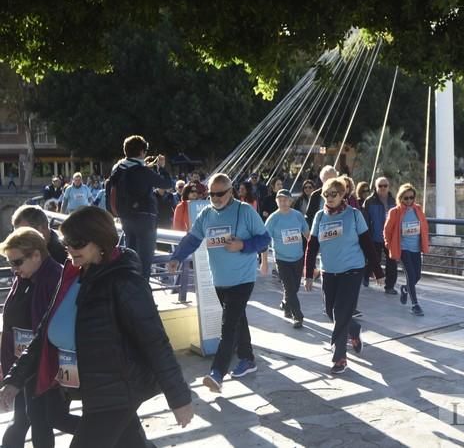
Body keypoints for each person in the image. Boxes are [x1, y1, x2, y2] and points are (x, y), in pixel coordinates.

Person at [0, 207, 193, 448]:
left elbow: (155, 341)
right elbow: (43, 334)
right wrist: (15, 379)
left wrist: (179, 398)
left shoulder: (125, 281)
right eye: (66, 241)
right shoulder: (73, 276)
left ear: (99, 240)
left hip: (118, 391)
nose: (69, 248)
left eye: (77, 243)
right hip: (94, 388)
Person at [168, 173, 271, 391]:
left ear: (231, 191)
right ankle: (248, 359)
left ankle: (217, 373)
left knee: (229, 325)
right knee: (238, 318)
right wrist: (177, 257)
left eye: (219, 194)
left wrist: (242, 245)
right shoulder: (206, 214)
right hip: (220, 279)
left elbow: (265, 239)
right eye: (211, 194)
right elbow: (192, 239)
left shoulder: (245, 211)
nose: (214, 198)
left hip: (243, 279)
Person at [0, 228, 79, 448]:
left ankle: (124, 435)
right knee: (37, 419)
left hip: (44, 366)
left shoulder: (53, 279)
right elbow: (12, 325)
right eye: (10, 263)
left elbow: (50, 331)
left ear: (36, 255)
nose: (14, 269)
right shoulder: (27, 277)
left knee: (49, 419)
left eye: (16, 262)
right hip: (29, 366)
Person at [304, 177, 384, 374]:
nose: (329, 198)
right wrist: (308, 274)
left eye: (334, 194)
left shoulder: (354, 215)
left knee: (340, 311)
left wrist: (378, 271)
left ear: (342, 195)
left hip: (352, 270)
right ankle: (353, 329)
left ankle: (340, 357)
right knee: (330, 310)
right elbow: (312, 247)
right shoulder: (320, 217)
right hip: (328, 270)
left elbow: (367, 244)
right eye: (326, 195)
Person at [107, 135, 173, 279]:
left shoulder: (118, 168)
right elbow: (167, 184)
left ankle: (130, 295)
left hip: (125, 217)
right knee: (144, 263)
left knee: (131, 259)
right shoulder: (142, 171)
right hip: (145, 220)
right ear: (142, 151)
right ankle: (142, 297)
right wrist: (161, 168)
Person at [265, 189, 309, 328]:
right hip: (282, 259)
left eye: (286, 200)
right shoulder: (273, 219)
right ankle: (298, 316)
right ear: (276, 201)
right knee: (289, 288)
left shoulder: (297, 216)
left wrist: (313, 253)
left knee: (294, 288)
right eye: (280, 200)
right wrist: (264, 261)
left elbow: (307, 234)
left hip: (298, 257)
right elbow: (264, 241)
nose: (283, 202)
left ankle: (285, 303)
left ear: (291, 201)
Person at [383, 183, 430, 316]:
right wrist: (389, 245)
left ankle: (405, 289)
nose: (409, 201)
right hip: (403, 248)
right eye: (406, 198)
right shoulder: (395, 212)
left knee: (417, 276)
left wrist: (425, 242)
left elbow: (424, 226)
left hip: (416, 248)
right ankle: (415, 304)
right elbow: (387, 231)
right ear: (400, 198)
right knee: (410, 275)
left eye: (411, 198)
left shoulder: (418, 209)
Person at [364, 176, 398, 294]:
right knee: (373, 259)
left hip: (390, 237)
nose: (383, 188)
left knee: (392, 262)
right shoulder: (369, 201)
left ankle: (389, 286)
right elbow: (365, 220)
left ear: (389, 187)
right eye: (380, 186)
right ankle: (365, 278)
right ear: (375, 187)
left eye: (385, 186)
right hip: (375, 236)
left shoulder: (394, 201)